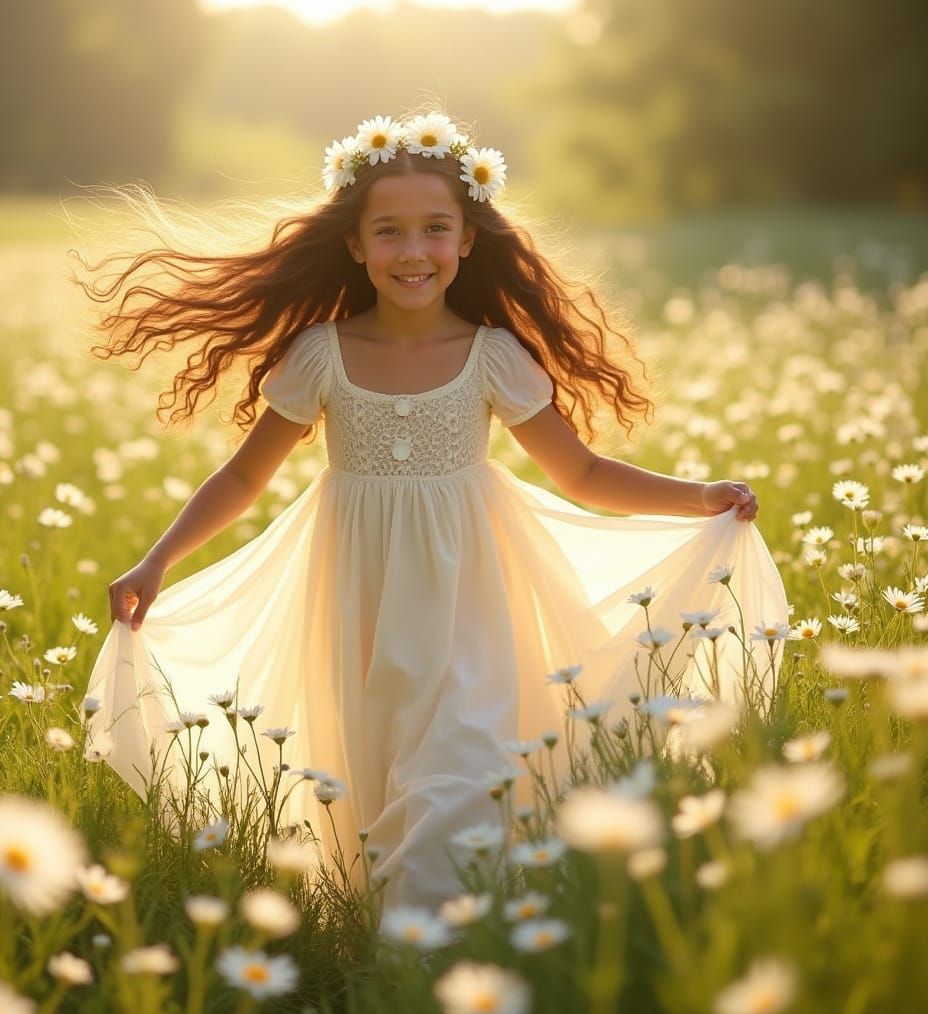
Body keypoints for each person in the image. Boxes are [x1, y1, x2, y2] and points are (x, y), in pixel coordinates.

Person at [75, 110, 787, 927]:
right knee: (371, 774)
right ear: (355, 244)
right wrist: (156, 560)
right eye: (390, 231)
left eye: (435, 230)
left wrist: (699, 496)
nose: (413, 251)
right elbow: (242, 476)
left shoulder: (494, 357)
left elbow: (583, 472)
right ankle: (389, 945)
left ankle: (438, 957)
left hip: (473, 598)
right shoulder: (320, 354)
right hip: (357, 598)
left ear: (468, 239)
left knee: (458, 769)